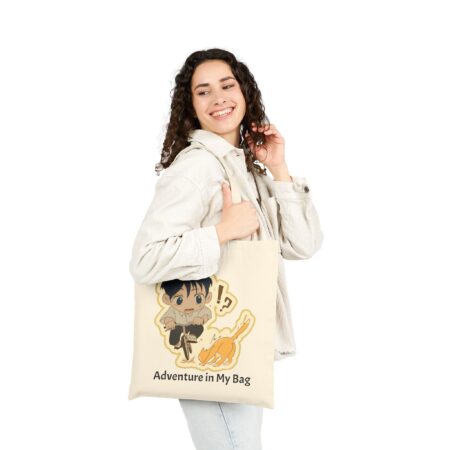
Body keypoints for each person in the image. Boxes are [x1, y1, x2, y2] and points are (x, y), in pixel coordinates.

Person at [129, 48, 324, 450]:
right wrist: (221, 232)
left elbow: (303, 245)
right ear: (191, 107)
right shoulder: (196, 167)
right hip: (207, 343)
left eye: (227, 85)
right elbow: (145, 259)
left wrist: (279, 169)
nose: (218, 98)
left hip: (239, 344)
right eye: (203, 91)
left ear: (245, 93)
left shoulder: (245, 167)